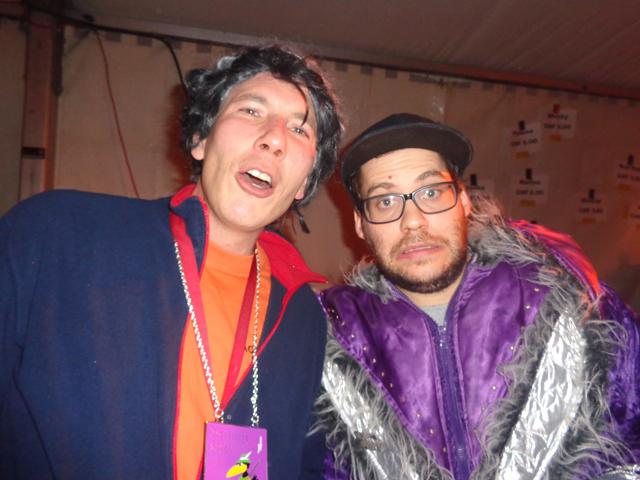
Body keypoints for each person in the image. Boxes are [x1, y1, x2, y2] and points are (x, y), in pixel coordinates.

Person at [0, 45, 342, 479]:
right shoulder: (54, 238)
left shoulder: (304, 316)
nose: (274, 139)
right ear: (201, 138)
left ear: (305, 183)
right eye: (252, 110)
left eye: (299, 129)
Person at [314, 113, 640, 479]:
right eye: (385, 201)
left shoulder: (570, 302)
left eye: (431, 192)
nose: (413, 221)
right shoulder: (330, 339)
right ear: (360, 224)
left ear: (464, 201)